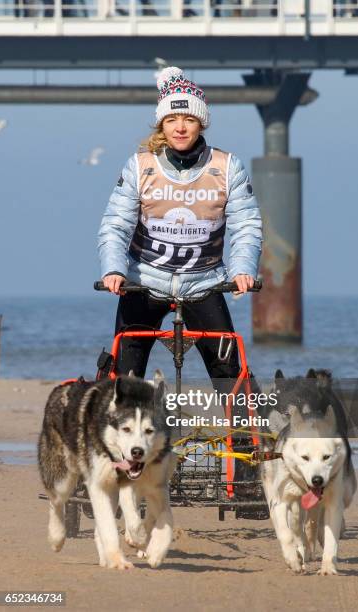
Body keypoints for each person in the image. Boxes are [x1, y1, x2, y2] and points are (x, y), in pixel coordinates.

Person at [98, 66, 266, 517]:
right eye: (171, 120)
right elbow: (116, 224)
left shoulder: (227, 166)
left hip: (205, 281)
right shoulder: (140, 167)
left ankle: (247, 480)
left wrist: (244, 269)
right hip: (144, 280)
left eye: (188, 120)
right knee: (123, 379)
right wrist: (114, 269)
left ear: (201, 122)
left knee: (232, 379)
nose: (179, 127)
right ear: (161, 124)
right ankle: (113, 477)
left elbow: (247, 224)